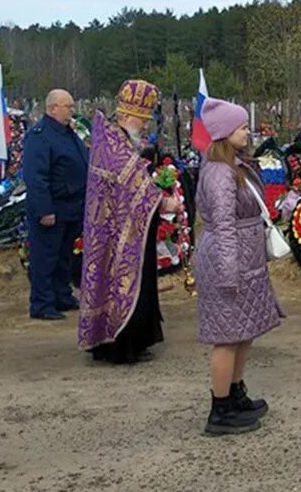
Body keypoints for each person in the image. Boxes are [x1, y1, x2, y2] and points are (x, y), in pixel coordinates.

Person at [193, 98, 284, 435]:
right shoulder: (220, 174)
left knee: (242, 332)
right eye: (242, 127)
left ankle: (235, 393)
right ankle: (220, 410)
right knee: (227, 336)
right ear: (225, 132)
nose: (248, 132)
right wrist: (229, 271)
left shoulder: (235, 166)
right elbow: (224, 225)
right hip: (227, 261)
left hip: (244, 259)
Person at [79, 79, 181, 364]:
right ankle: (119, 344)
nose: (146, 125)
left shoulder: (117, 139)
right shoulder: (114, 144)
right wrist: (163, 202)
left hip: (131, 225)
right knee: (121, 284)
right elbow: (134, 184)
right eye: (142, 119)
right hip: (116, 230)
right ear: (126, 115)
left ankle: (137, 339)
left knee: (139, 280)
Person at [22, 89, 89, 321]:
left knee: (64, 255)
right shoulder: (40, 136)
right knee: (45, 256)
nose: (72, 111)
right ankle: (42, 303)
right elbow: (36, 177)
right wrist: (44, 210)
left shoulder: (68, 133)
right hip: (53, 206)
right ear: (53, 108)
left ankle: (62, 295)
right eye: (68, 106)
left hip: (72, 206)